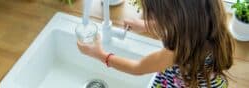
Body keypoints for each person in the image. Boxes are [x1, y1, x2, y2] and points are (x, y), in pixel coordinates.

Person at [77, 0, 234, 87]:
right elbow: (185, 26)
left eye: (157, 17)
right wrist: (146, 26)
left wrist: (99, 54)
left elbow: (137, 68)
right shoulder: (214, 28)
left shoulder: (174, 53)